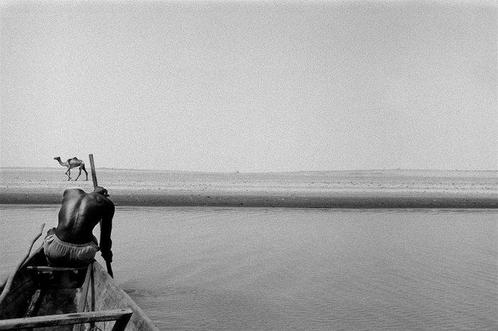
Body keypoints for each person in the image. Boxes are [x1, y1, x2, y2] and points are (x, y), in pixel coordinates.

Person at [43, 186, 114, 268]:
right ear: (103, 195)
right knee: (93, 240)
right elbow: (105, 240)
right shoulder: (107, 204)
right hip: (83, 254)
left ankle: (52, 267)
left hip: (55, 251)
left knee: (51, 231)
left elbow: (86, 198)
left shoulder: (69, 193)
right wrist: (107, 255)